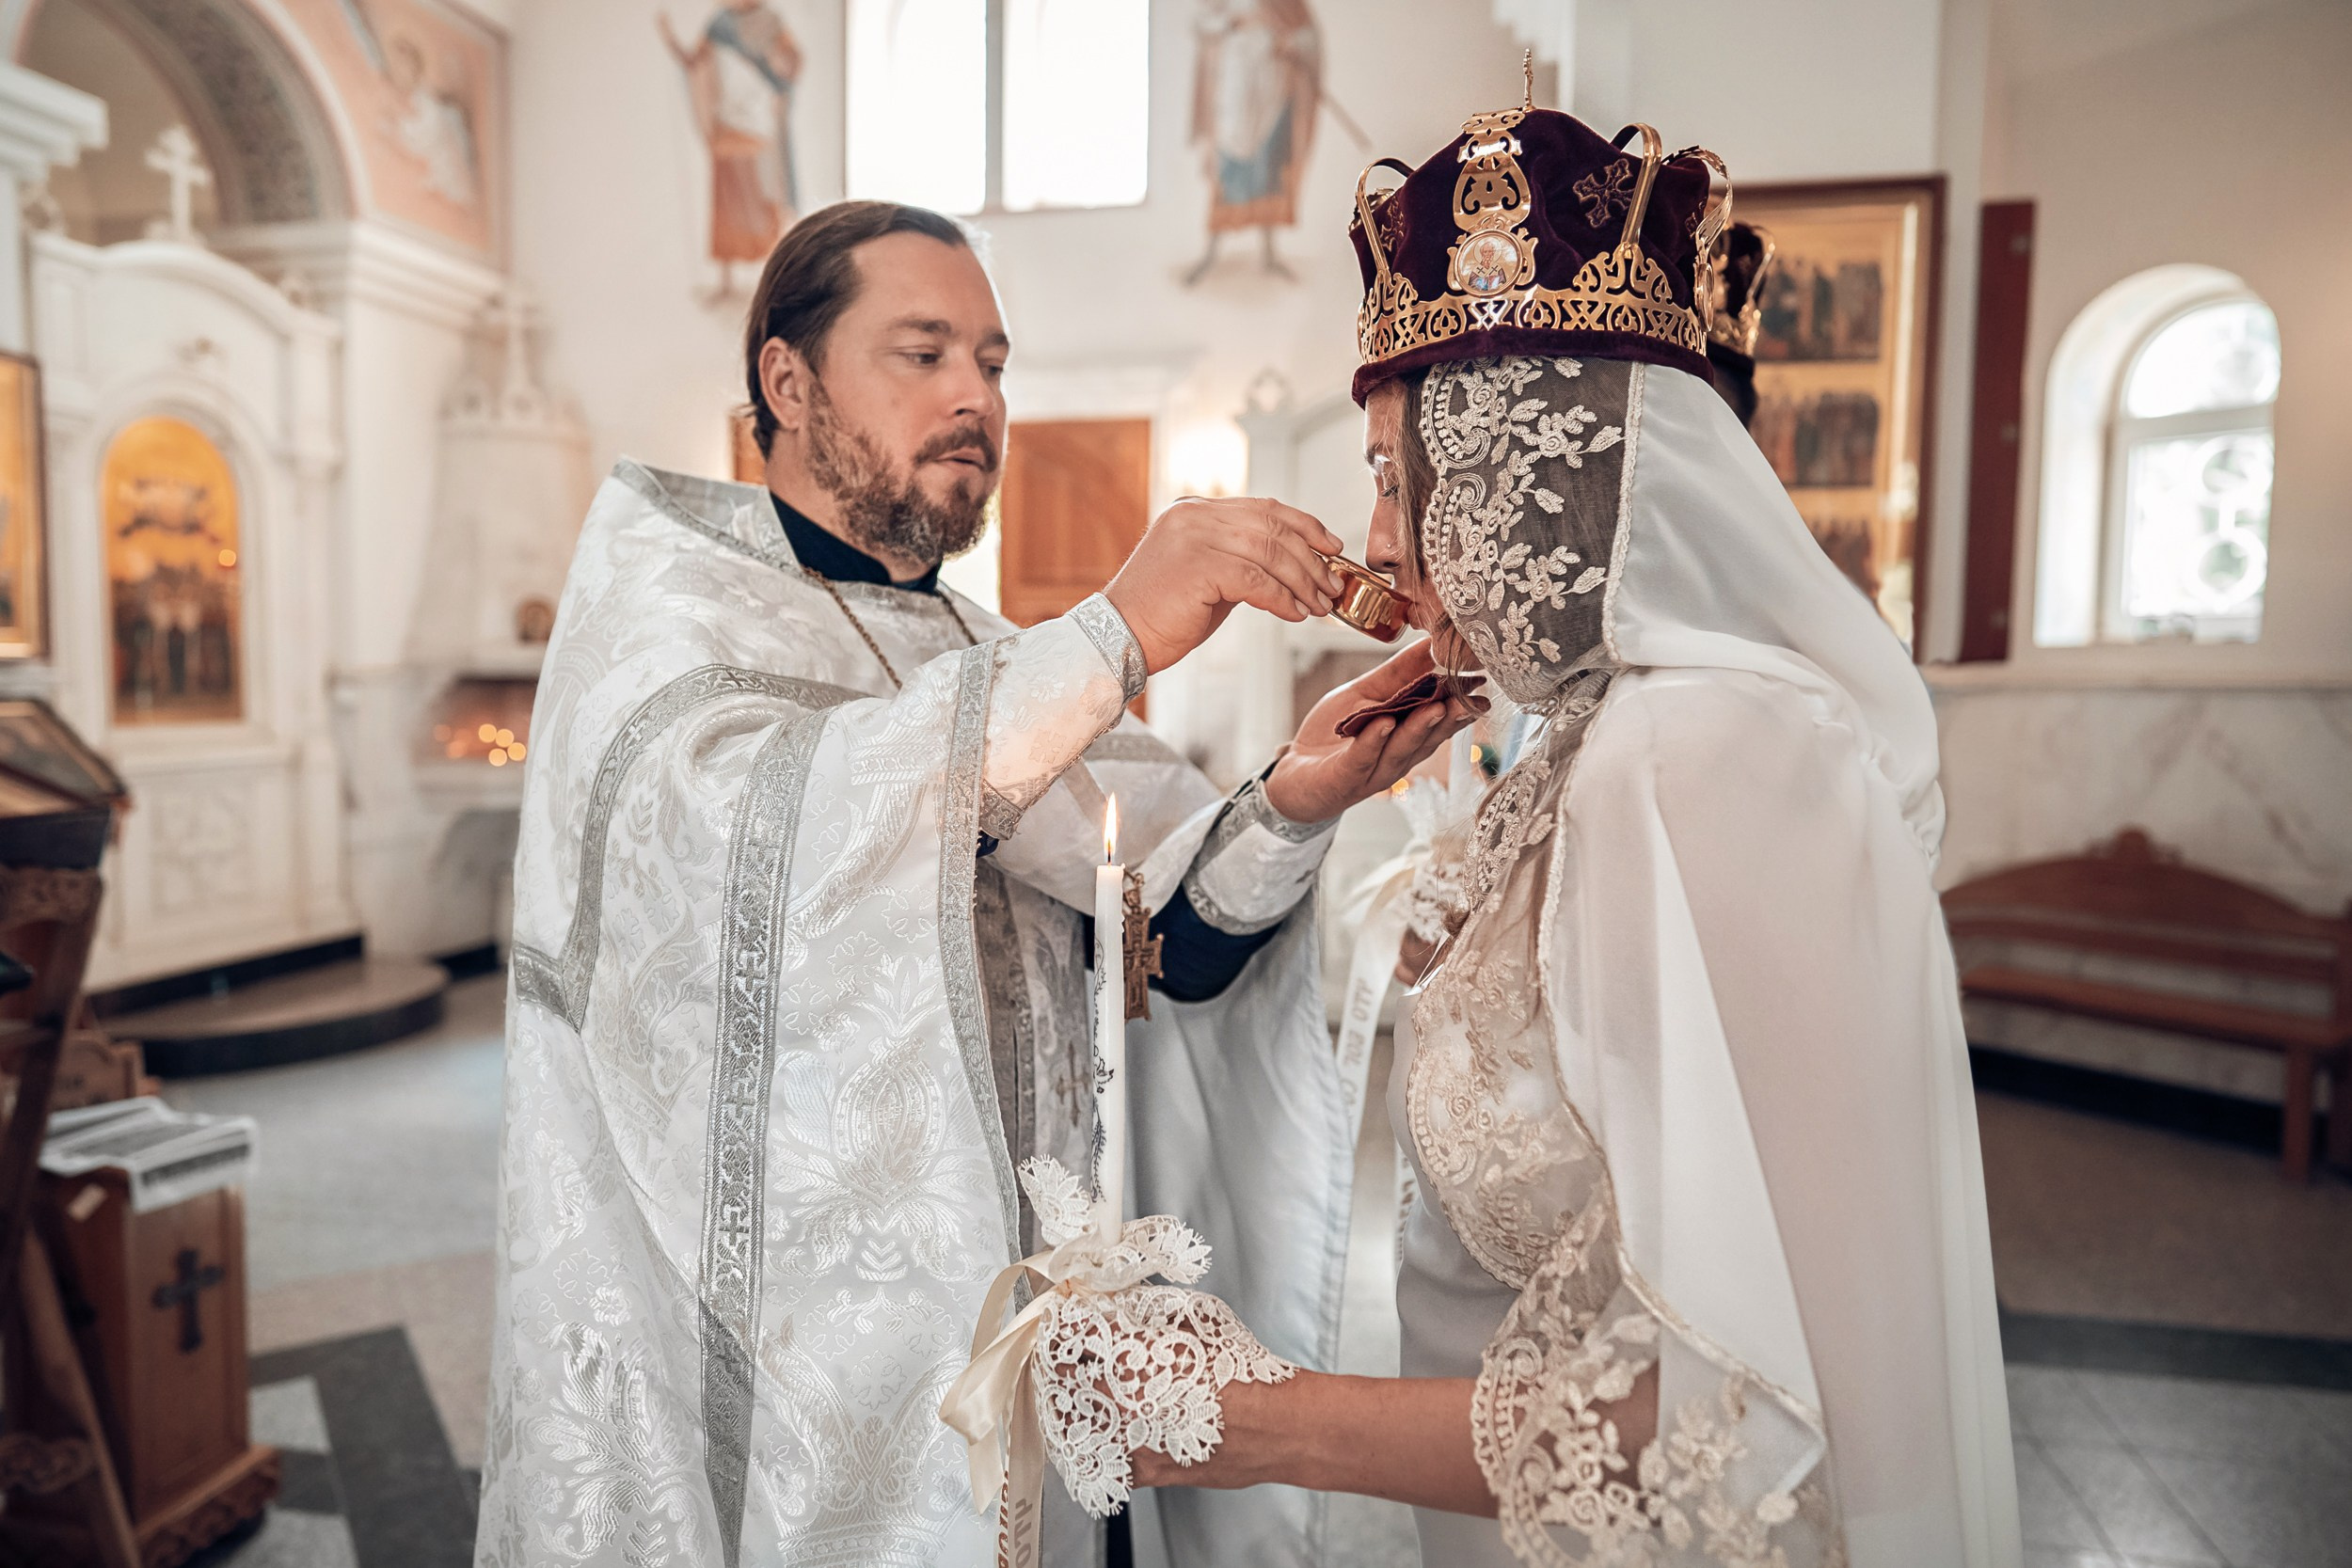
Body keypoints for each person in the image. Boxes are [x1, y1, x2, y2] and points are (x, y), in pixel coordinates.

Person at [473, 199, 1472, 1568]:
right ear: (788, 380)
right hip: (795, 1366)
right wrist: (1112, 632)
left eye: (993, 363)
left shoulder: (976, 650)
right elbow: (777, 859)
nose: (975, 399)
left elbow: (1159, 945)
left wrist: (1298, 796)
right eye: (924, 353)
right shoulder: (666, 625)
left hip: (1036, 1325)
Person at [1104, 97, 2024, 1568]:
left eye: (1408, 474)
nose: (1384, 539)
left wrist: (1244, 1412)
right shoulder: (1603, 736)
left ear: (1535, 470)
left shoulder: (1696, 756)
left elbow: (1733, 1413)